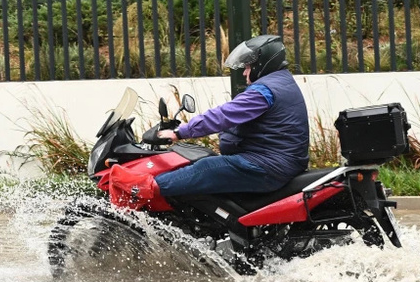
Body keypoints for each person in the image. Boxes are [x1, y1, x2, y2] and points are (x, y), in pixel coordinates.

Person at [108, 35, 309, 209]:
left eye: (248, 66)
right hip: (275, 160)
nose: (245, 72)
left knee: (205, 170)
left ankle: (142, 188)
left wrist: (180, 132)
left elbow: (224, 115)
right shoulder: (280, 83)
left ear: (262, 63)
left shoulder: (265, 90)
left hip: (268, 165)